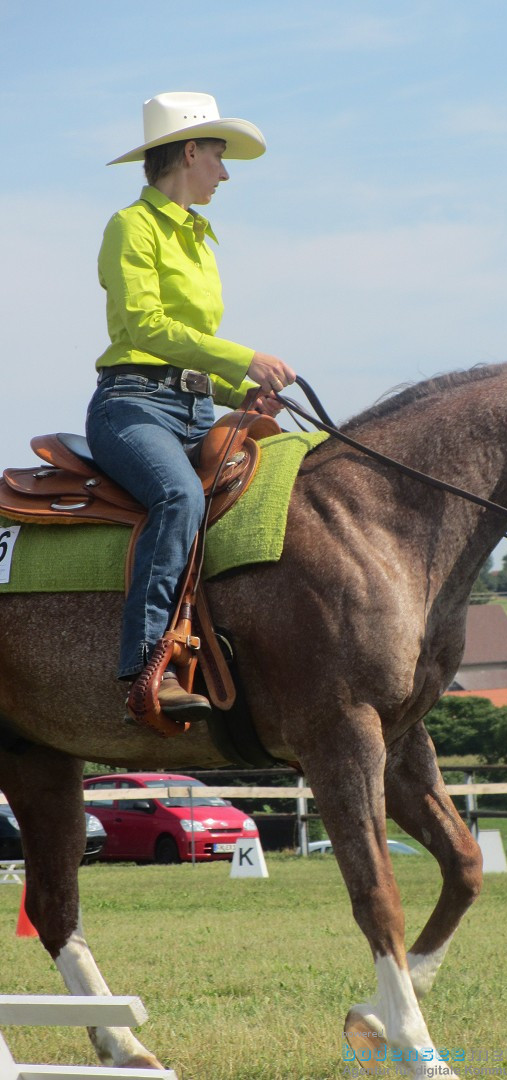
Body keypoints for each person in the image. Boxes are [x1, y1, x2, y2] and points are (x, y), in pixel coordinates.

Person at [86, 91, 295, 723]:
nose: (226, 174)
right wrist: (243, 359)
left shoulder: (202, 240)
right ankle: (146, 667)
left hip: (196, 410)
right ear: (191, 150)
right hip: (132, 407)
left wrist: (241, 394)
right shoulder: (132, 226)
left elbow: (193, 358)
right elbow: (145, 326)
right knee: (179, 497)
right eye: (220, 158)